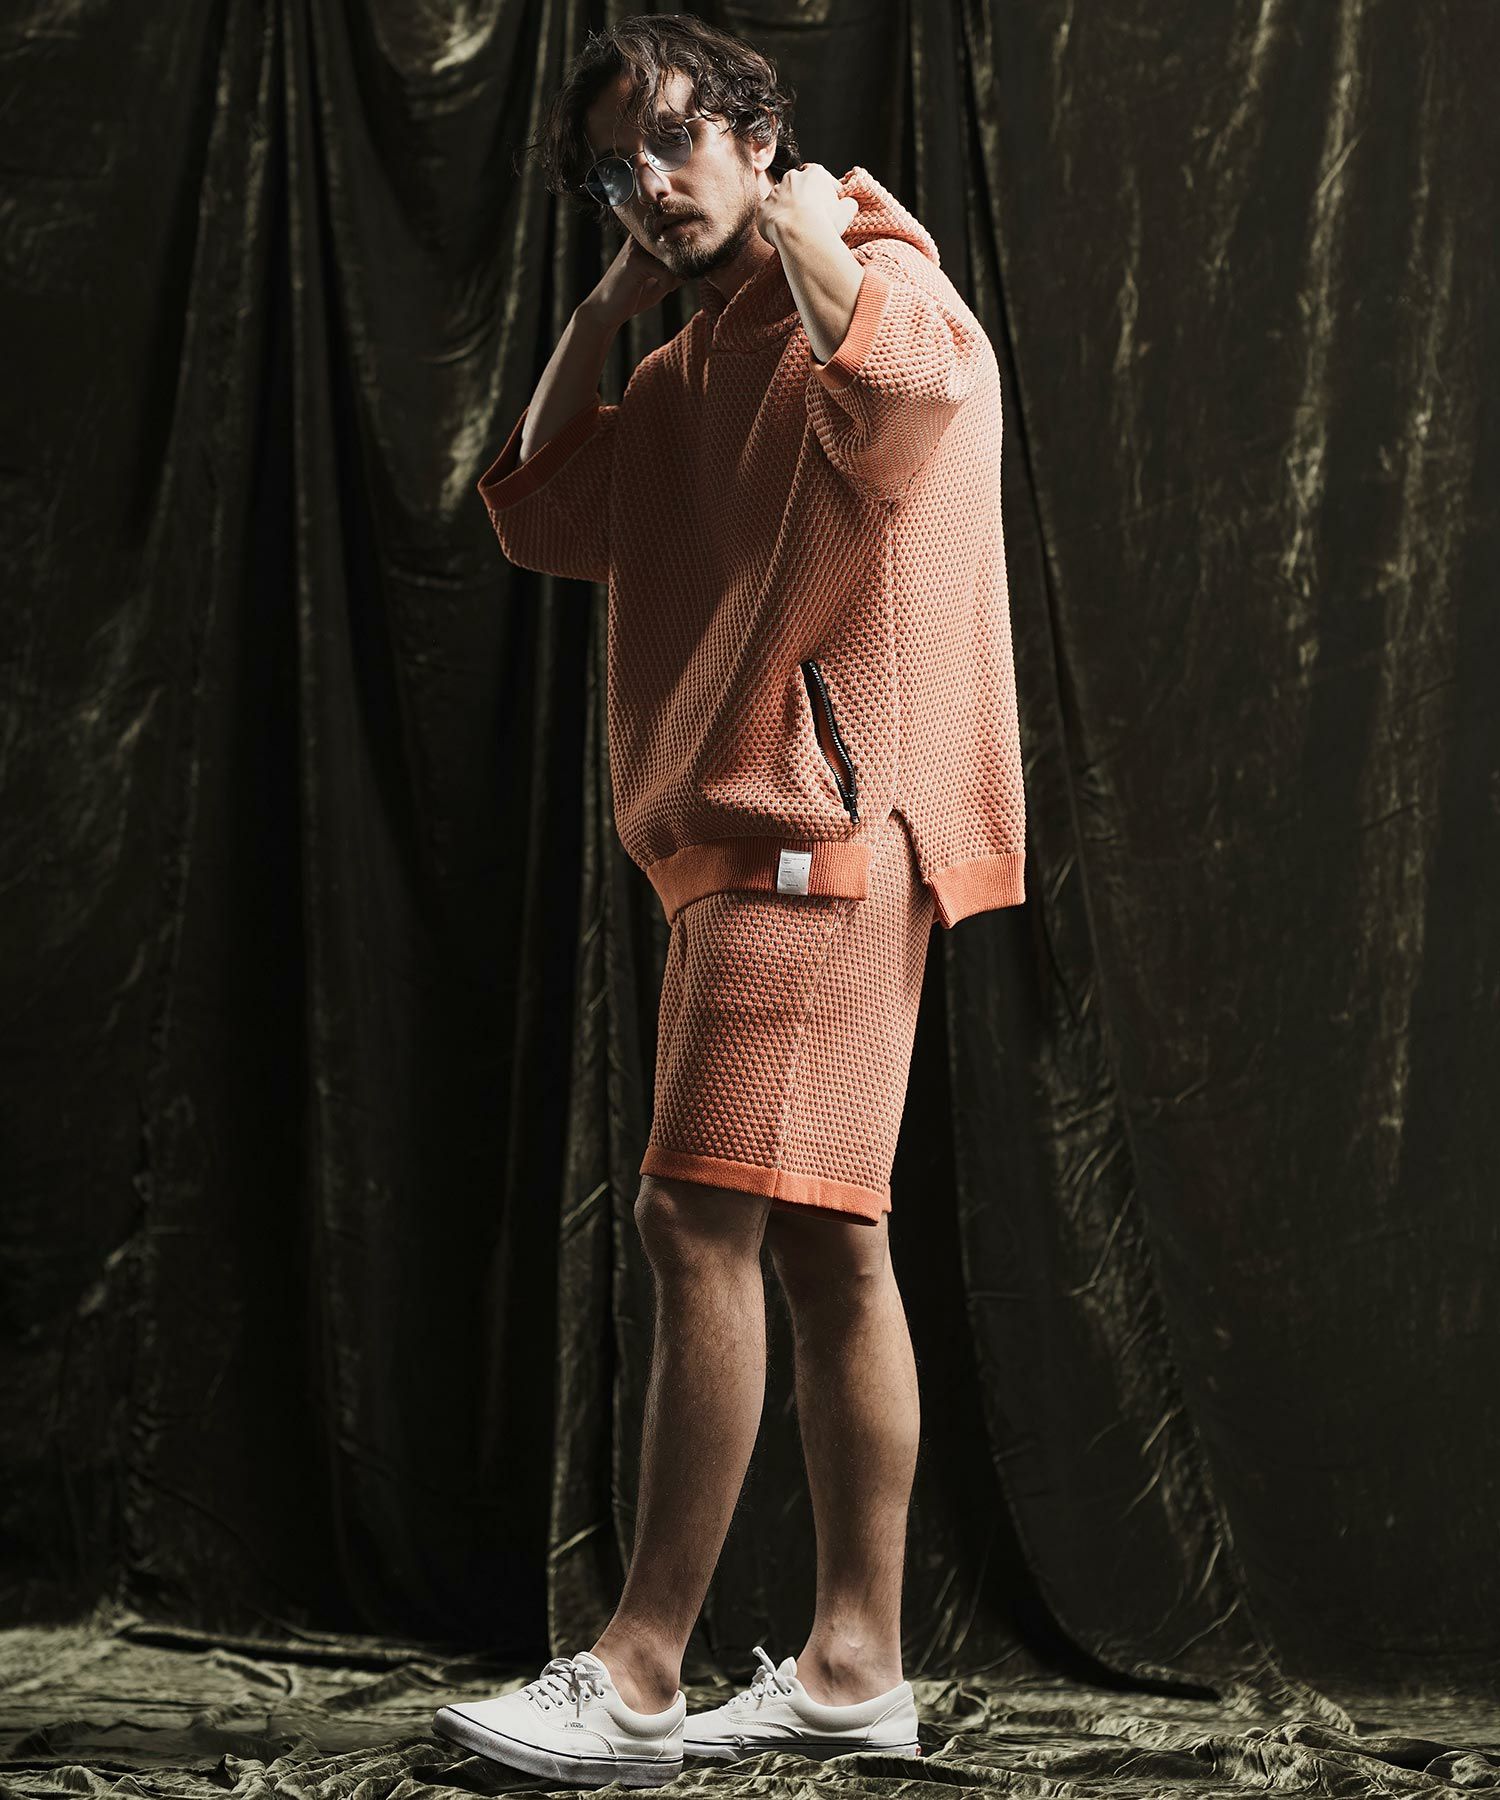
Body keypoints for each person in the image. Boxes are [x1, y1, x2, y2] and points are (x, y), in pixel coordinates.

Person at [433, 13, 1025, 1789]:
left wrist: (795, 216)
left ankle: (636, 1672)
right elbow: (538, 508)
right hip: (755, 859)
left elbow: (906, 405)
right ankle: (854, 1666)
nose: (648, 184)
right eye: (616, 170)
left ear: (761, 137)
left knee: (692, 1222)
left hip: (817, 843)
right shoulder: (694, 367)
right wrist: (615, 307)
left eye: (677, 141)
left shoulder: (882, 277)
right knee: (833, 1247)